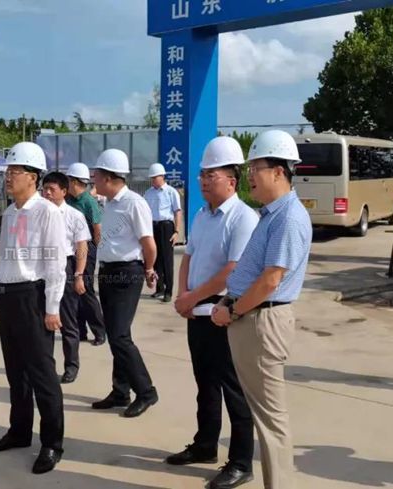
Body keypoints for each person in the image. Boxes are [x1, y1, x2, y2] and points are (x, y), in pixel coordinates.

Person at [211, 130, 312, 489]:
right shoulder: (270, 215)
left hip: (261, 320)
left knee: (271, 418)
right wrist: (228, 300)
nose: (250, 175)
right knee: (264, 413)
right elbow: (252, 271)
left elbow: (271, 280)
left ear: (280, 171)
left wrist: (233, 310)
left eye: (256, 167)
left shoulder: (289, 218)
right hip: (250, 316)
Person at [169, 137, 258, 489]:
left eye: (212, 174)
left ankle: (240, 461)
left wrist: (192, 297)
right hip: (199, 314)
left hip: (226, 314)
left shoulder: (243, 218)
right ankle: (205, 445)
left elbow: (233, 271)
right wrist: (182, 295)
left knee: (234, 390)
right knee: (204, 385)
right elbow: (188, 257)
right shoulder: (202, 215)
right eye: (202, 174)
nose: (204, 180)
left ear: (232, 180)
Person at [0, 142, 67, 474]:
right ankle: (19, 431)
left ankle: (51, 443)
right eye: (8, 171)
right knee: (15, 373)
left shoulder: (47, 211)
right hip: (9, 298)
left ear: (33, 177)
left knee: (42, 375)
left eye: (14, 171)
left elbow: (56, 264)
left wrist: (52, 308)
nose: (9, 177)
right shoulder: (10, 213)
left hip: (34, 298)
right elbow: (6, 256)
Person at [90, 148, 159, 418]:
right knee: (117, 334)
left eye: (96, 176)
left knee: (119, 335)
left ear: (108, 177)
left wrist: (150, 268)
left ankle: (146, 391)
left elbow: (148, 244)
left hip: (127, 273)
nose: (93, 180)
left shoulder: (134, 203)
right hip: (108, 272)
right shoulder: (109, 203)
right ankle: (120, 391)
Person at [42, 171, 91, 384]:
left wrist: (79, 274)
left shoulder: (74, 215)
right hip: (41, 267)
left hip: (67, 267)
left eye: (52, 190)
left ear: (64, 191)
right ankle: (45, 366)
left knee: (68, 321)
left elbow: (81, 247)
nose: (47, 193)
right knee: (44, 320)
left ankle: (71, 366)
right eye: (45, 189)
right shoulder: (37, 213)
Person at [65, 162, 106, 346]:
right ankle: (80, 331)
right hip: (70, 248)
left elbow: (97, 229)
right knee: (74, 290)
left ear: (74, 181)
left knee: (86, 290)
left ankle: (99, 331)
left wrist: (95, 249)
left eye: (68, 180)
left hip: (87, 249)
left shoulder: (88, 202)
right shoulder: (69, 200)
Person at [144, 163, 183, 303]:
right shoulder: (148, 193)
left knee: (167, 260)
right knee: (154, 259)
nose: (153, 180)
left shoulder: (171, 192)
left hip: (166, 227)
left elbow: (177, 212)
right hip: (152, 227)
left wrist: (177, 231)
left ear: (162, 176)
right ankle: (159, 288)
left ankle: (168, 291)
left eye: (155, 177)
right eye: (152, 178)